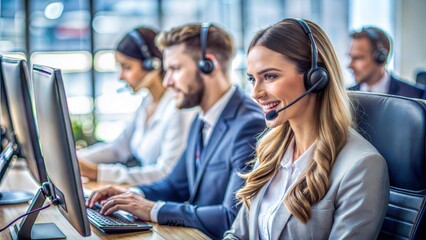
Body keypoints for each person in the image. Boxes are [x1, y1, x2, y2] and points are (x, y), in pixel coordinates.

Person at [85, 23, 266, 239]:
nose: (167, 81)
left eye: (175, 69)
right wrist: (130, 194)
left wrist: (152, 209)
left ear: (208, 65)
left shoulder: (249, 125)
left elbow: (231, 217)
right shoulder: (203, 118)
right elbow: (175, 185)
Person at [224, 18, 389, 239]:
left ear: (316, 77)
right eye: (252, 79)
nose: (255, 93)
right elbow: (237, 235)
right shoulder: (270, 150)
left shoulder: (361, 166)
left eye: (270, 76)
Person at [78, 27, 191, 185]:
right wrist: (74, 159)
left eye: (127, 67)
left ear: (152, 64)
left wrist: (96, 172)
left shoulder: (178, 109)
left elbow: (165, 173)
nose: (120, 76)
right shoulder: (147, 103)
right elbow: (118, 149)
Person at [348, 26, 425, 99]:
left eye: (358, 58)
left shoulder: (416, 95)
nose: (350, 65)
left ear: (380, 57)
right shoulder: (346, 96)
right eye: (350, 57)